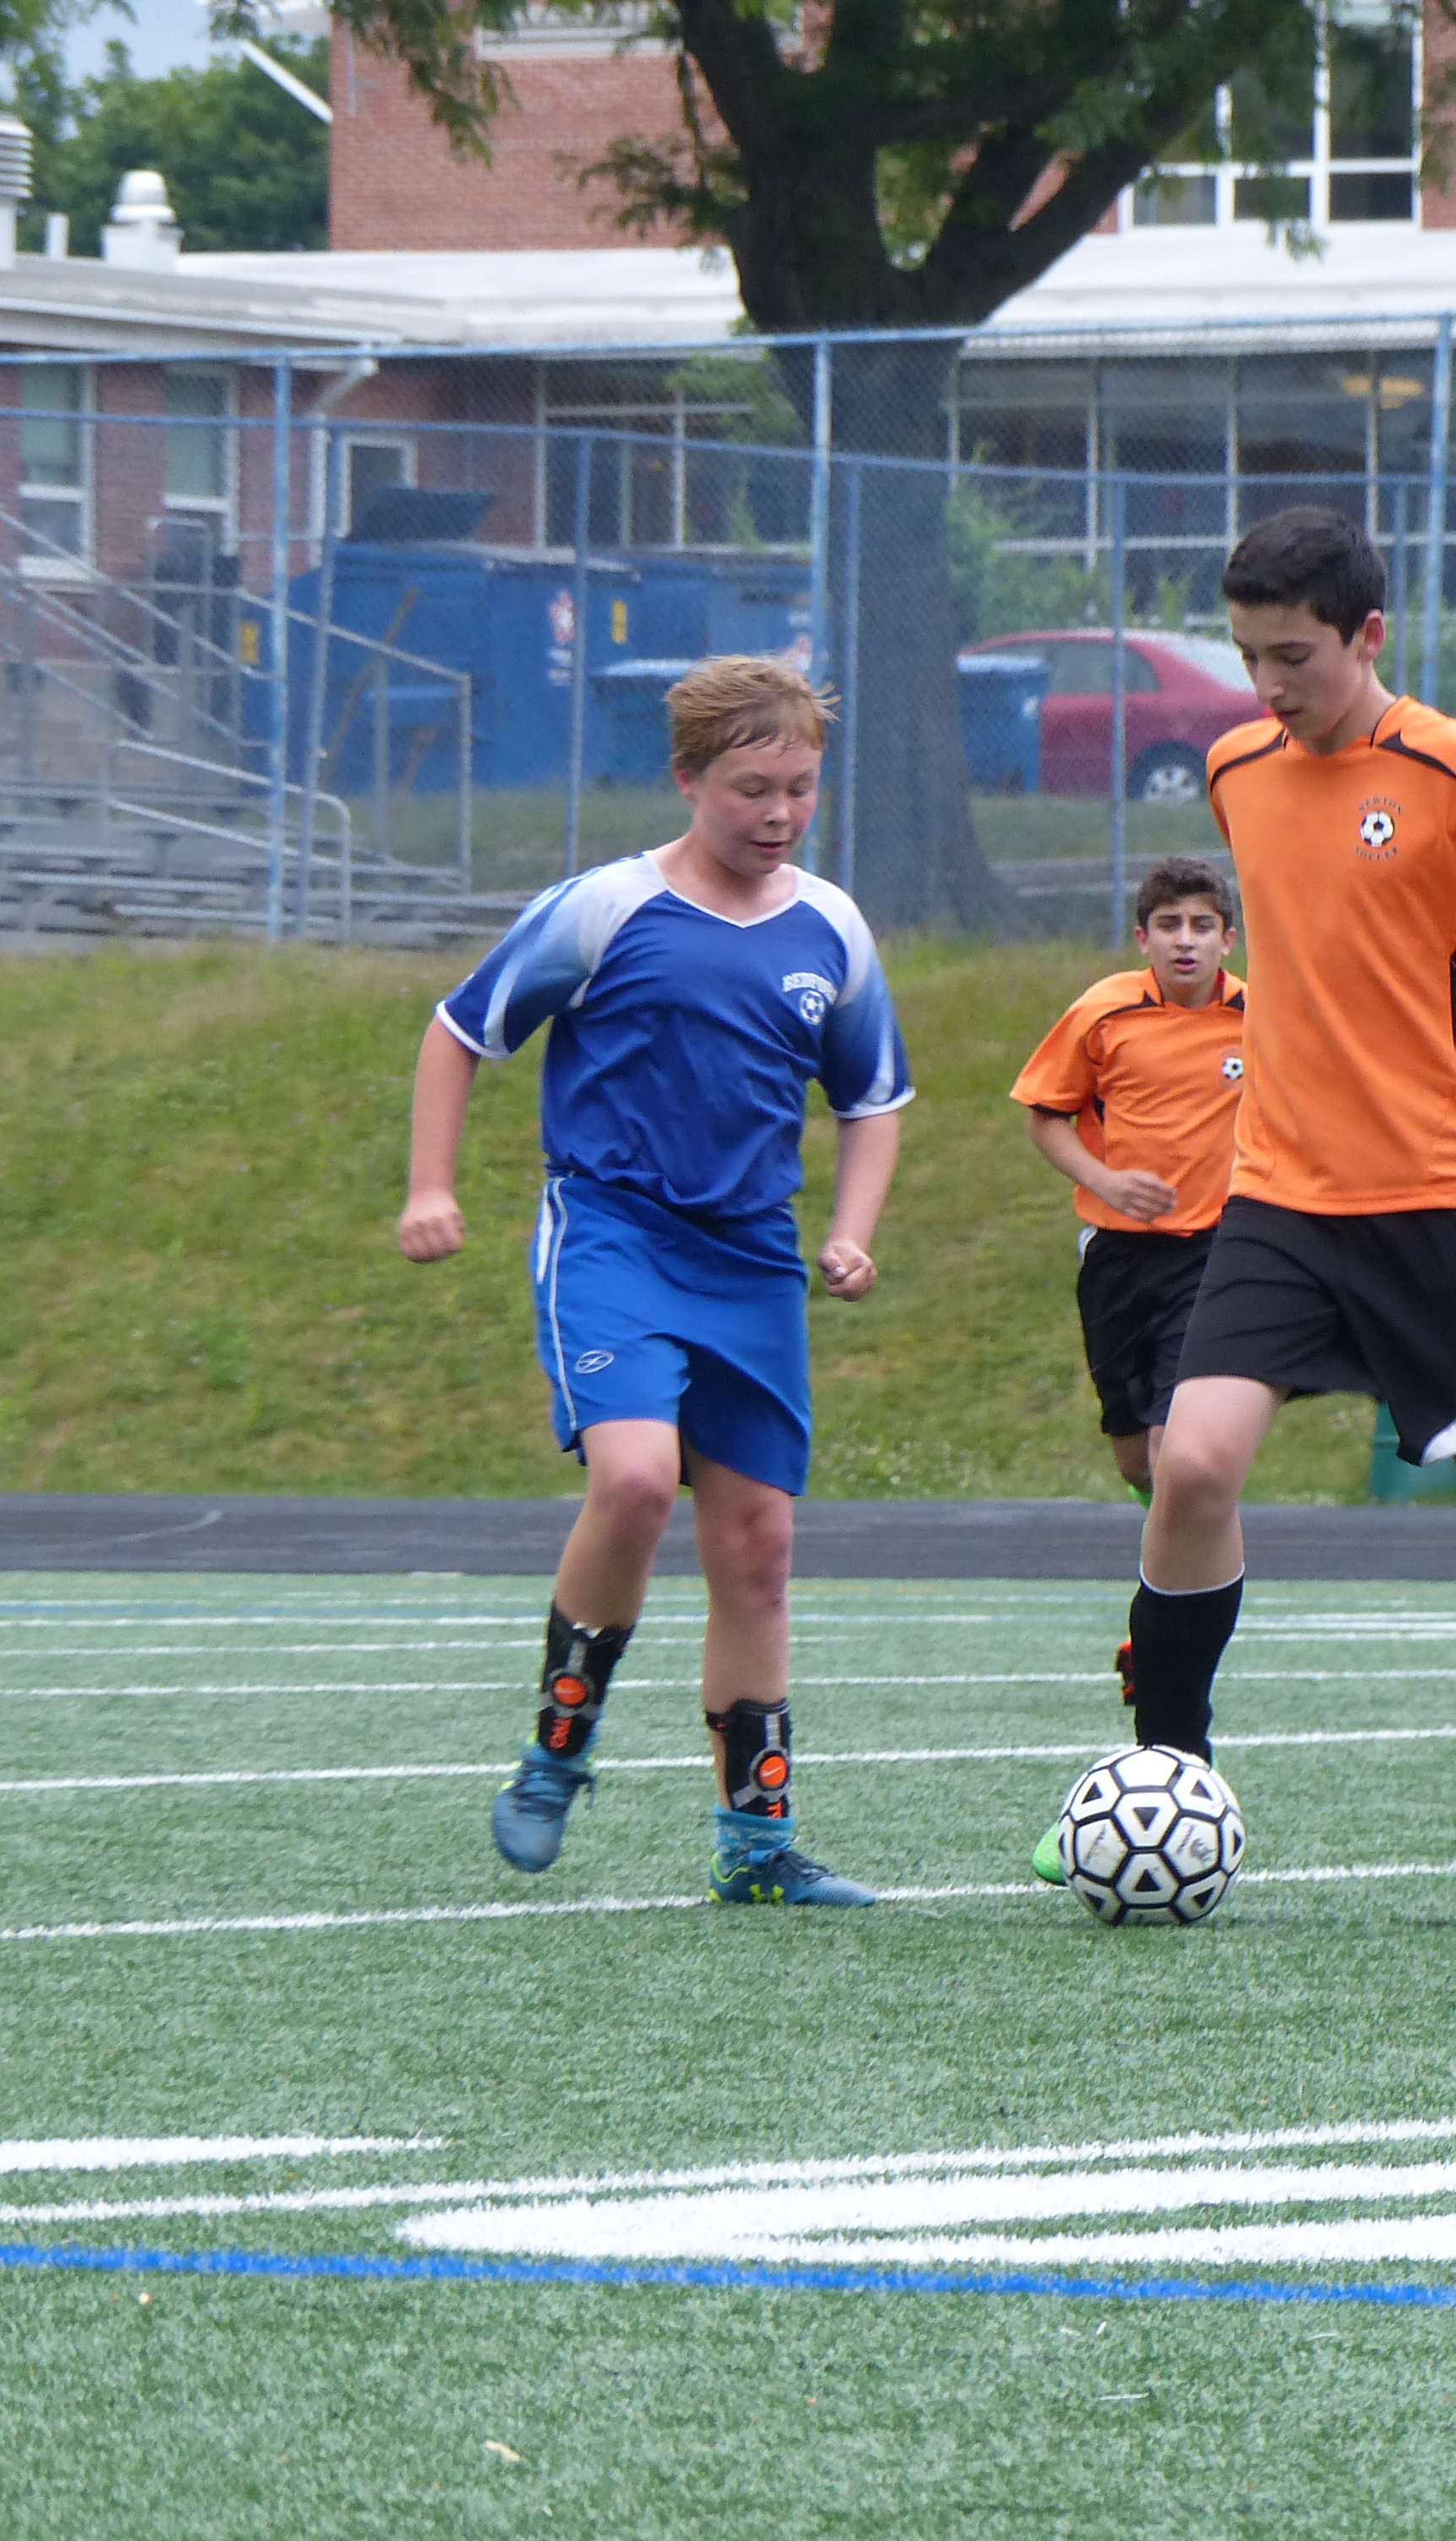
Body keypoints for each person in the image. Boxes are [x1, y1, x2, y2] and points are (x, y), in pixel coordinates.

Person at [1037, 505, 1456, 1929]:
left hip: (1453, 1201)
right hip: (1283, 1196)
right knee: (1191, 1464)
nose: (1269, 685)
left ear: (1370, 635)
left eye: (1296, 656)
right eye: (1249, 656)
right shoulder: (1236, 771)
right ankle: (1162, 1779)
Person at [398, 656, 910, 1908]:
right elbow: (460, 1033)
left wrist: (852, 1230)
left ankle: (758, 1846)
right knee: (632, 1479)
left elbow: (873, 1099)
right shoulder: (605, 908)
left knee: (758, 1547)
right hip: (614, 1235)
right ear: (687, 779)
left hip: (753, 1262)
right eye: (750, 790)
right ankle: (556, 1753)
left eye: (799, 788)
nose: (779, 813)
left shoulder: (831, 928)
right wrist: (429, 1187)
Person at [1010, 857, 1248, 1499]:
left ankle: (1194, 1554)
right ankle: (1170, 1533)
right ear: (1143, 938)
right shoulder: (1104, 1012)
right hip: (1117, 1257)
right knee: (1136, 1460)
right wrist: (1106, 1182)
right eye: (1169, 925)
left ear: (1227, 939)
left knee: (1180, 1449)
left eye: (1202, 925)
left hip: (1212, 1251)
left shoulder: (1258, 1017)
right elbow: (1045, 1117)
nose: (1185, 941)